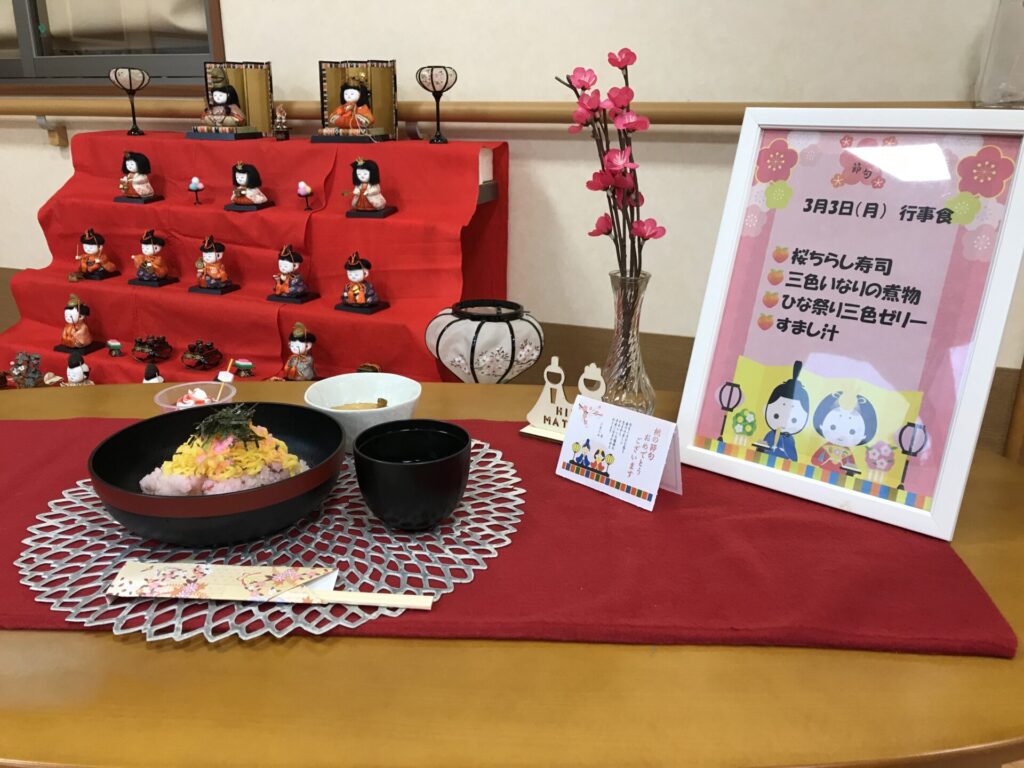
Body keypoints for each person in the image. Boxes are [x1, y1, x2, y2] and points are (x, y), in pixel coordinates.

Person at [810, 392, 878, 474]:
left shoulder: (847, 452)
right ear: (821, 424)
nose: (841, 435)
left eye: (852, 432)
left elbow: (851, 468)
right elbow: (814, 460)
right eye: (833, 427)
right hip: (821, 472)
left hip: (839, 476)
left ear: (864, 436)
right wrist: (822, 462)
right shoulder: (826, 447)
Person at [754, 361, 810, 462]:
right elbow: (760, 450)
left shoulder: (789, 439)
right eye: (776, 415)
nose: (783, 422)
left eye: (793, 419)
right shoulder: (770, 435)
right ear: (765, 409)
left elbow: (793, 457)